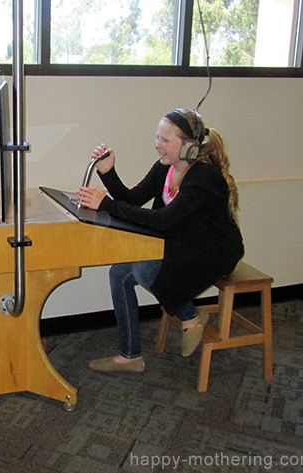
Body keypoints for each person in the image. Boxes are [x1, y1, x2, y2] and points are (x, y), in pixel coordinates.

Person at [76, 108, 244, 373]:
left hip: (213, 251)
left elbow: (163, 220)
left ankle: (191, 315)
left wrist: (106, 203)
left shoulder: (204, 178)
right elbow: (132, 200)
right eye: (157, 137)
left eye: (165, 140)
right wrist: (108, 172)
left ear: (189, 146)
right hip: (183, 243)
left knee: (144, 268)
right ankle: (130, 356)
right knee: (119, 274)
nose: (157, 145)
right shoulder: (164, 169)